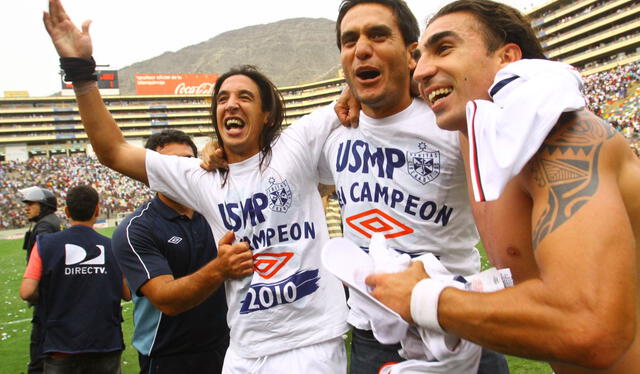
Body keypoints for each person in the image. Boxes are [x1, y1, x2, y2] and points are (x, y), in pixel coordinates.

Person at [43, 1, 348, 373]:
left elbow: (360, 96)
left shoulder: (297, 144)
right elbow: (113, 151)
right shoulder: (201, 177)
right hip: (243, 349)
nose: (231, 104)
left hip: (308, 344)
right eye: (222, 99)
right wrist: (80, 71)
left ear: (267, 114)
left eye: (244, 97)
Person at [364, 1, 640, 373]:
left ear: (508, 58)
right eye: (420, 58)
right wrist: (360, 96)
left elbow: (591, 328)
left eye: (444, 48)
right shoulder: (476, 134)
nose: (421, 72)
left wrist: (424, 298)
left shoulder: (562, 135)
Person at [322, 1, 508, 372]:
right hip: (372, 336)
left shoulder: (452, 120)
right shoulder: (330, 133)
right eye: (349, 40)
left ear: (412, 54)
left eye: (378, 35)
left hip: (457, 324)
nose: (361, 49)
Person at [111, 130, 236, 374]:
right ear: (152, 172)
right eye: (170, 163)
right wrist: (220, 269)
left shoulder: (219, 210)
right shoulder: (136, 229)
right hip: (169, 357)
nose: (181, 169)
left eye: (188, 160)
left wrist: (220, 150)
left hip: (228, 348)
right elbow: (167, 301)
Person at [19, 185, 130, 374]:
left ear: (67, 211)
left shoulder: (45, 244)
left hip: (61, 344)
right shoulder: (112, 246)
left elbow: (27, 291)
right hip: (104, 343)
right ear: (97, 210)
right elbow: (127, 294)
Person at [19, 186, 63, 374]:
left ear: (43, 205)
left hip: (47, 301)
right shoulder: (53, 222)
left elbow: (48, 263)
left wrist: (36, 292)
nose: (26, 208)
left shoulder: (45, 226)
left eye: (31, 203)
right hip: (57, 299)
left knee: (38, 358)